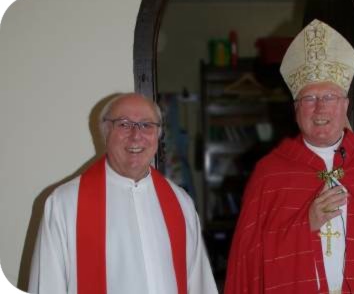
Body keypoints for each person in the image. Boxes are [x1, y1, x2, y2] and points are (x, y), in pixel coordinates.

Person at [225, 19, 354, 293]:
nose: (320, 109)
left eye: (330, 97)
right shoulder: (269, 173)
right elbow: (249, 263)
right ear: (296, 108)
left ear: (345, 105)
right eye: (309, 99)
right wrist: (306, 224)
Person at [29, 93, 218, 294]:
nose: (136, 135)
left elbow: (199, 284)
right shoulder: (64, 204)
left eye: (147, 125)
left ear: (158, 135)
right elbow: (47, 285)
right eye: (124, 124)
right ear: (105, 132)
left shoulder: (181, 203)